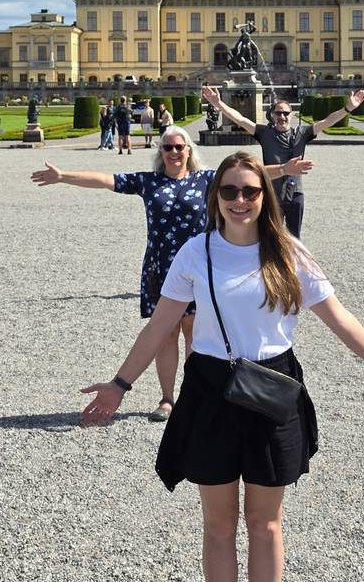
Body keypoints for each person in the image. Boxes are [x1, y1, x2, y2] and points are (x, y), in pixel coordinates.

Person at [80, 150, 364, 582]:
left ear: (265, 195)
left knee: (265, 524)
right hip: (210, 389)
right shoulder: (196, 252)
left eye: (249, 191)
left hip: (272, 387)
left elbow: (338, 316)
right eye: (228, 191)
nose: (239, 200)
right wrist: (119, 385)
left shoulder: (289, 252)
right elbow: (159, 327)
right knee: (219, 525)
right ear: (215, 196)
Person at [31, 128, 312, 423]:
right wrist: (62, 176)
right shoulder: (149, 181)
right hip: (160, 267)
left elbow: (249, 176)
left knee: (195, 332)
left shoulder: (206, 179)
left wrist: (284, 169)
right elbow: (105, 180)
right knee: (165, 333)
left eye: (179, 146)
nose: (174, 152)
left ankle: (195, 394)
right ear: (161, 152)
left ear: (189, 150)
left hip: (199, 266)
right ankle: (167, 398)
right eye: (168, 147)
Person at [202, 85, 364, 238]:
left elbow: (327, 122)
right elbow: (240, 119)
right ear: (273, 115)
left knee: (295, 238)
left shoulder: (302, 133)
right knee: (270, 236)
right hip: (272, 194)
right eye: (278, 113)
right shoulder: (265, 133)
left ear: (292, 115)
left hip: (295, 193)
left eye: (286, 113)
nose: (282, 117)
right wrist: (219, 104)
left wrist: (348, 108)